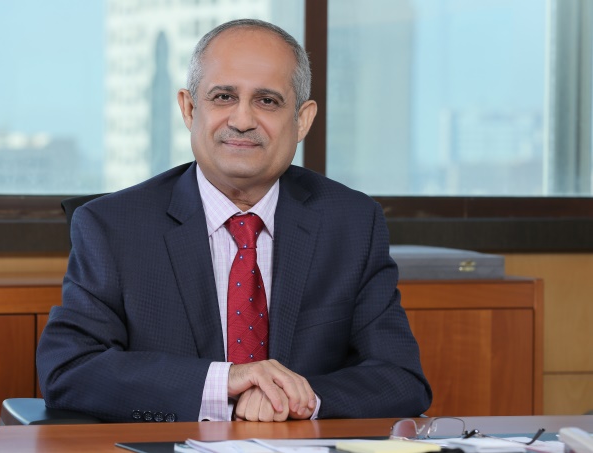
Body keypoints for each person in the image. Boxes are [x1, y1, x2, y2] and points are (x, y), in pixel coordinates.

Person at [36, 18, 431, 423]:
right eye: (223, 97)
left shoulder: (352, 223)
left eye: (267, 101)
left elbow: (400, 379)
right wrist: (223, 382)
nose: (242, 120)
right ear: (189, 108)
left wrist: (300, 399)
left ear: (302, 120)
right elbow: (69, 369)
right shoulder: (112, 226)